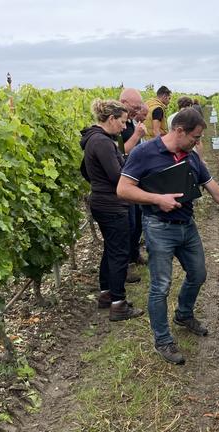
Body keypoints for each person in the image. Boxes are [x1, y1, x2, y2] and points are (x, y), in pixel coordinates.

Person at [117, 108, 219, 365]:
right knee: (160, 286)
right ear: (179, 130)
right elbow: (123, 189)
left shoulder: (191, 158)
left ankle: (183, 313)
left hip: (186, 226)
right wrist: (158, 199)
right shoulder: (144, 153)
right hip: (158, 227)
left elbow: (216, 191)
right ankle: (163, 340)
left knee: (198, 274)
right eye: (195, 137)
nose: (197, 143)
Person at [80, 99, 144, 322]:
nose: (125, 128)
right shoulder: (103, 142)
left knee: (111, 249)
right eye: (123, 122)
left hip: (102, 201)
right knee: (118, 254)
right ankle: (118, 304)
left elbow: (86, 172)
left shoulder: (94, 140)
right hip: (112, 205)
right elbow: (118, 176)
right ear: (111, 119)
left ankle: (106, 294)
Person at [119, 88, 148, 268]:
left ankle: (134, 254)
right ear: (124, 103)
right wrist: (137, 135)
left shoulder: (130, 122)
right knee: (128, 224)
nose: (137, 111)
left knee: (137, 220)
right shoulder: (117, 125)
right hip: (125, 181)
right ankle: (126, 263)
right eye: (135, 107)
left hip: (137, 178)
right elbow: (119, 152)